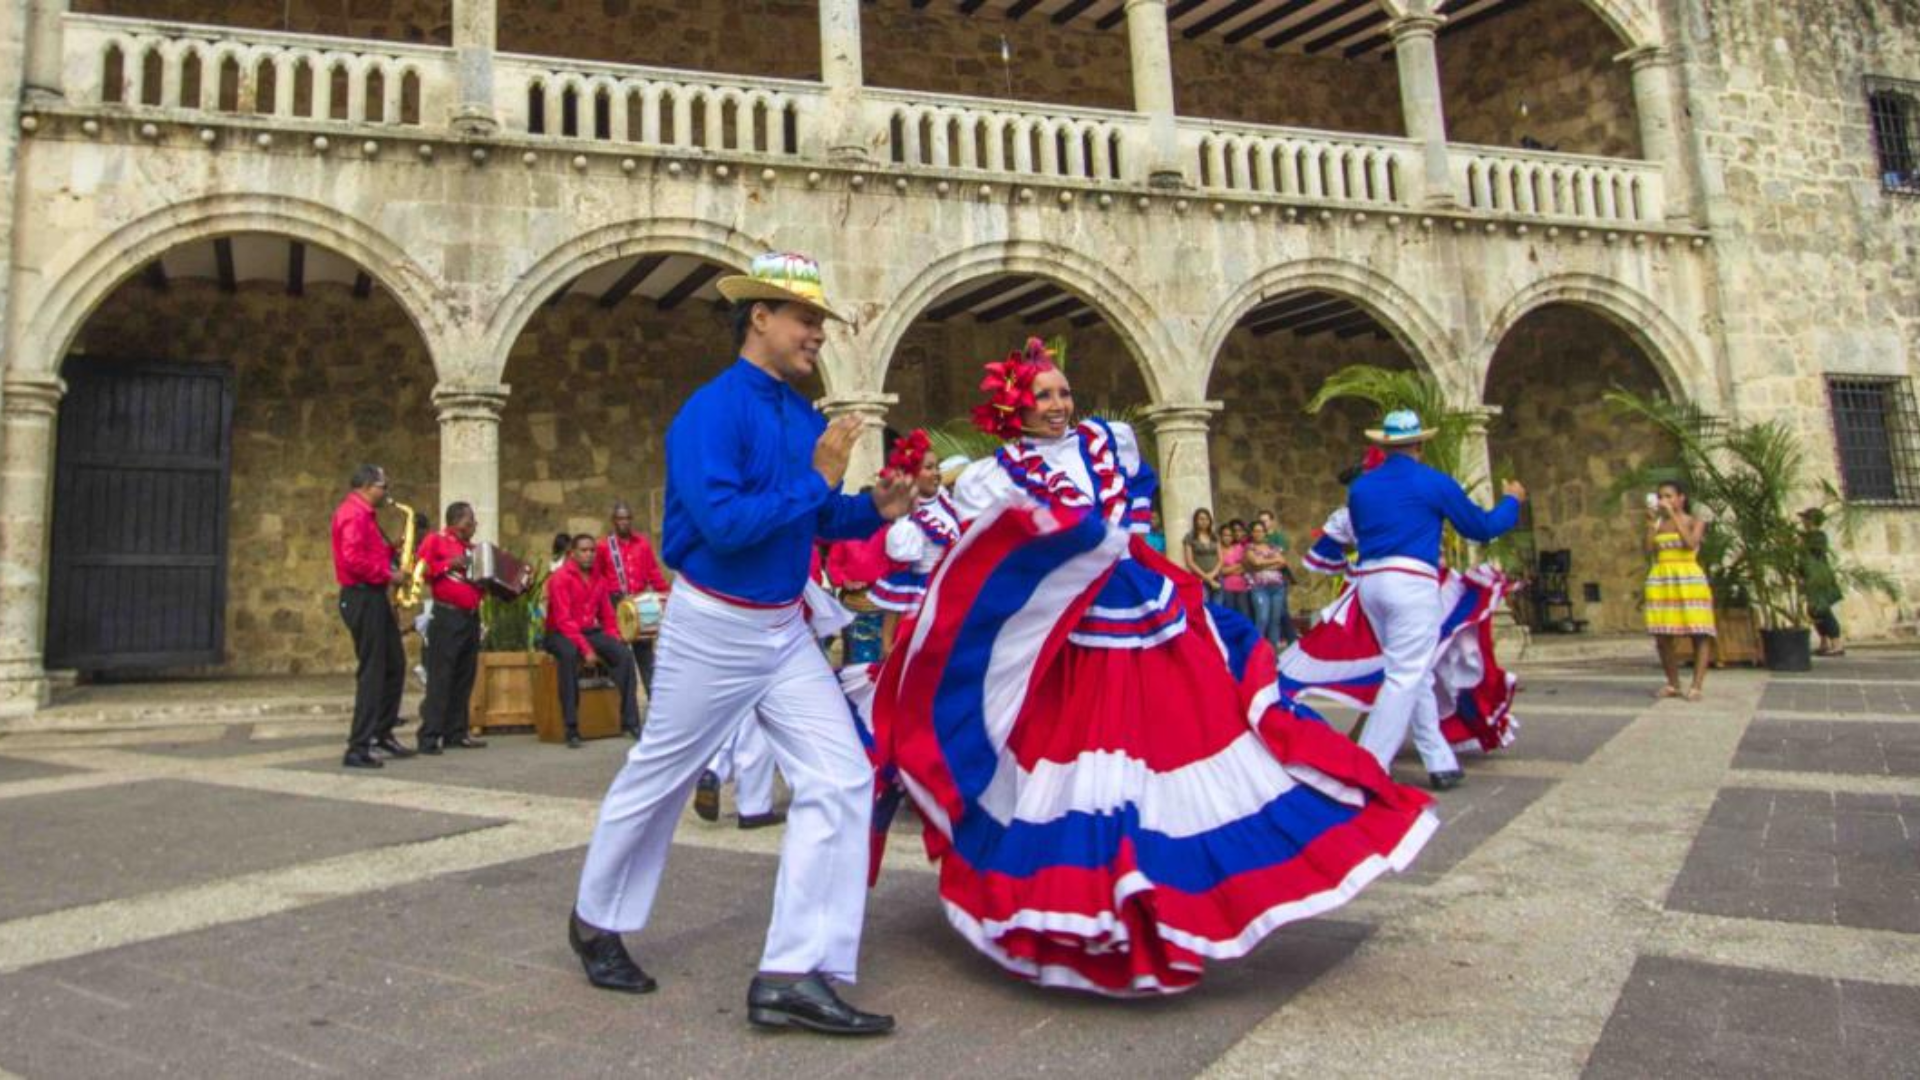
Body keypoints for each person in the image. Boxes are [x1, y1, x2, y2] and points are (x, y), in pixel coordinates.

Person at [873, 338, 1436, 997]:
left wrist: (1116, 540)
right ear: (1014, 408)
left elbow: (1135, 499)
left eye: (1064, 392)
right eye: (1044, 396)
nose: (1060, 405)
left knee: (1183, 742)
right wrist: (906, 513)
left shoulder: (1109, 443)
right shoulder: (992, 477)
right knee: (1082, 765)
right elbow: (923, 540)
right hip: (1071, 640)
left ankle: (1168, 892)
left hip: (1146, 613)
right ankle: (1090, 902)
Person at [569, 252, 912, 1035]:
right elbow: (722, 527)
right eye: (805, 318)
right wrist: (822, 481)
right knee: (661, 772)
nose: (818, 334)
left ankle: (792, 972)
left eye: (820, 321)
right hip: (712, 624)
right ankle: (596, 919)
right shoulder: (710, 412)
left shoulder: (799, 417)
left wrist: (875, 507)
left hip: (784, 627)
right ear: (758, 316)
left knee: (842, 777)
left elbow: (816, 521)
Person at [1346, 410, 1526, 790]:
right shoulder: (1432, 482)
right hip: (1411, 582)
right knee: (1405, 674)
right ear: (1421, 444)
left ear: (1384, 444)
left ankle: (1438, 759)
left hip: (1371, 582)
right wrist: (1511, 502)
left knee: (1416, 671)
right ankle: (1368, 765)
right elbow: (1481, 527)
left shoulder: (1362, 487)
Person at [330, 464, 415, 769]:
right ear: (367, 486)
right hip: (362, 596)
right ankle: (358, 747)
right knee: (373, 671)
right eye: (383, 486)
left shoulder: (365, 516)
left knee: (394, 664)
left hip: (373, 596)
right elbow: (353, 560)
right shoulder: (353, 515)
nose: (386, 492)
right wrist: (389, 575)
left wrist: (393, 551)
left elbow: (366, 553)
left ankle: (382, 733)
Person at [545, 533, 641, 746]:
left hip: (588, 630)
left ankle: (630, 722)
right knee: (569, 654)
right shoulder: (560, 578)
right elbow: (564, 620)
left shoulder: (600, 578)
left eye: (592, 551)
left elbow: (607, 616)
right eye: (583, 551)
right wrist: (586, 648)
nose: (589, 555)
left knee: (623, 655)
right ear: (572, 553)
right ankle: (571, 727)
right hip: (559, 633)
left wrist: (616, 637)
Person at [873, 430, 961, 655]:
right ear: (912, 473)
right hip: (926, 597)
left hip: (954, 588)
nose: (936, 473)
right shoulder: (908, 516)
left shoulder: (943, 498)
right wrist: (886, 647)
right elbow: (897, 596)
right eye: (929, 468)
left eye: (937, 467)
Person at [415, 502, 488, 754]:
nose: (474, 526)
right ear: (458, 521)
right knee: (441, 677)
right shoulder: (436, 540)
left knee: (464, 677)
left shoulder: (475, 550)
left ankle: (456, 732)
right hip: (446, 616)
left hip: (470, 618)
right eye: (471, 522)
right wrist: (448, 564)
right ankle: (429, 735)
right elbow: (419, 571)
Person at [1644, 479, 1715, 700]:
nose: (1664, 500)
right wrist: (1650, 523)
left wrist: (1674, 516)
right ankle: (1673, 683)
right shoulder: (1658, 523)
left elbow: (1691, 543)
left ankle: (1696, 685)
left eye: (1669, 496)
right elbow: (1648, 550)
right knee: (1662, 634)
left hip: (1688, 578)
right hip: (1662, 578)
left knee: (1699, 632)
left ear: (1681, 498)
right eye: (1661, 496)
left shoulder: (1696, 520)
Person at [597, 501, 671, 695]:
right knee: (620, 658)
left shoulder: (643, 544)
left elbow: (653, 573)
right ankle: (624, 712)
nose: (624, 522)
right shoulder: (604, 546)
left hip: (639, 604)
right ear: (613, 521)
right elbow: (598, 579)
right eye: (620, 519)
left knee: (646, 658)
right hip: (615, 605)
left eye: (627, 518)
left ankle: (655, 707)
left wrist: (667, 595)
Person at [1800, 508, 1845, 656]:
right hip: (1809, 575)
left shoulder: (1818, 536)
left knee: (1822, 609)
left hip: (1818, 576)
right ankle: (1824, 642)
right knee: (1813, 610)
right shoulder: (1807, 536)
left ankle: (1837, 644)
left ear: (1811, 520)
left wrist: (1801, 543)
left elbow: (1815, 550)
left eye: (1805, 519)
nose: (1803, 522)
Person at [1244, 517, 1292, 650]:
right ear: (1251, 533)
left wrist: (1263, 565)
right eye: (1255, 531)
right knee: (1262, 619)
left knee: (1274, 621)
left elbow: (1283, 562)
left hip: (1277, 587)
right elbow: (1255, 562)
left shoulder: (1272, 546)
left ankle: (1272, 653)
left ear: (1265, 533)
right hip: (1260, 588)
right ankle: (1257, 652)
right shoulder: (1249, 547)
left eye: (1261, 531)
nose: (1258, 534)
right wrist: (1273, 561)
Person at [1181, 507, 1221, 601]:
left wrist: (1212, 575)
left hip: (1217, 578)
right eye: (1201, 519)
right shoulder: (1190, 537)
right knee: (1204, 607)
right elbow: (1190, 562)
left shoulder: (1215, 536)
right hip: (1199, 579)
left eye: (1206, 519)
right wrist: (1208, 578)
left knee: (1218, 608)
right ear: (1196, 521)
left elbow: (1220, 559)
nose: (1204, 521)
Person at [1218, 519, 1254, 621]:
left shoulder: (1239, 547)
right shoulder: (1218, 549)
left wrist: (1228, 570)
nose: (1227, 538)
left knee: (1245, 615)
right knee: (1231, 615)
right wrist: (1237, 566)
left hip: (1242, 587)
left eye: (1230, 535)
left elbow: (1245, 566)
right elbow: (1221, 571)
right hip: (1227, 588)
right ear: (1220, 536)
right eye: (1225, 535)